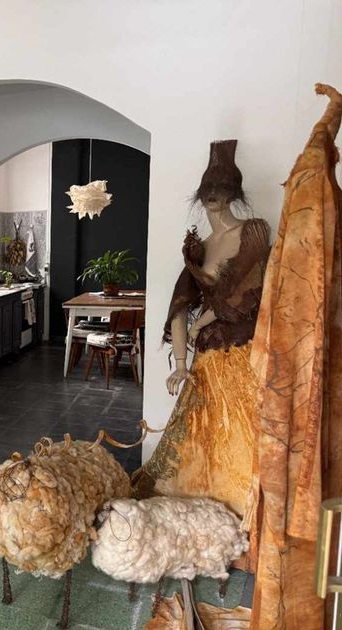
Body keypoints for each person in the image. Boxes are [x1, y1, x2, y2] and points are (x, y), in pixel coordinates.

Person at [131, 140, 271, 518]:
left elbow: (248, 293)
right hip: (205, 361)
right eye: (209, 190)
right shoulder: (199, 248)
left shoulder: (254, 232)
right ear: (200, 194)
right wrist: (180, 362)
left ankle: (241, 515)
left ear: (234, 194)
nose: (214, 198)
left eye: (222, 190)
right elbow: (179, 306)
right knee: (202, 437)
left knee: (240, 434)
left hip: (244, 355)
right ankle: (204, 518)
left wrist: (203, 322)